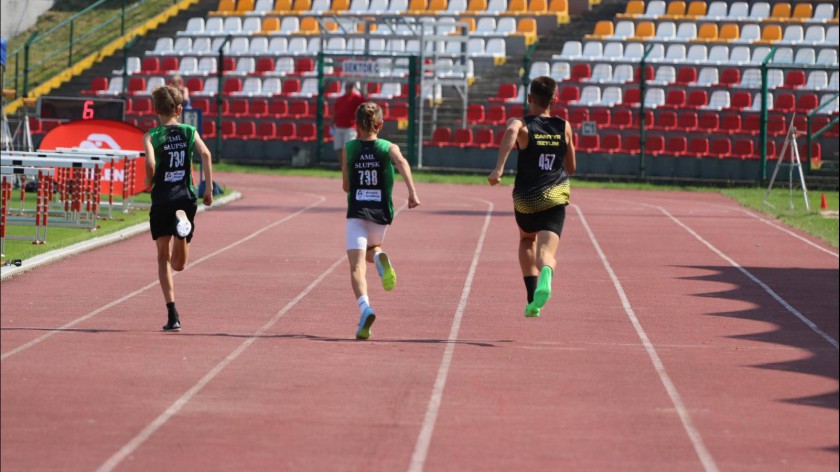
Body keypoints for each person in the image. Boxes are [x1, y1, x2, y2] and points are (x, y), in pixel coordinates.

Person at [487, 76, 576, 318]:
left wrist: (499, 169)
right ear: (554, 100)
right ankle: (547, 270)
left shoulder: (522, 125)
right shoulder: (564, 126)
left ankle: (531, 299)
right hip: (556, 195)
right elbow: (572, 167)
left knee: (527, 240)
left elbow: (511, 130)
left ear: (529, 99)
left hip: (527, 198)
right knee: (546, 254)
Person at [343, 102, 420, 340]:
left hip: (357, 212)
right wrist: (412, 192)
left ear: (357, 125)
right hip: (381, 215)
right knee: (373, 248)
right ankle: (378, 257)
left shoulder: (349, 148)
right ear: (381, 124)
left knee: (356, 267)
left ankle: (365, 308)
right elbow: (403, 163)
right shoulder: (389, 147)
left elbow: (346, 186)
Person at [143, 85, 213, 332]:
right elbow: (206, 154)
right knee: (180, 265)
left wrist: (148, 182)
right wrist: (209, 189)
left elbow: (151, 162)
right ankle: (182, 230)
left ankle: (172, 314)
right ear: (179, 110)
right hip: (185, 196)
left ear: (155, 110)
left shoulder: (152, 135)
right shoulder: (189, 131)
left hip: (162, 198)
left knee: (164, 258)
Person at [333, 81, 366, 172]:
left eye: (350, 86)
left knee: (349, 147)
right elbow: (336, 111)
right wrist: (333, 121)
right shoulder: (340, 99)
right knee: (338, 147)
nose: (348, 88)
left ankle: (351, 166)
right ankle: (343, 167)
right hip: (339, 125)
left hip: (350, 126)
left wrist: (360, 90)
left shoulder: (357, 98)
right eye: (347, 86)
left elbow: (365, 103)